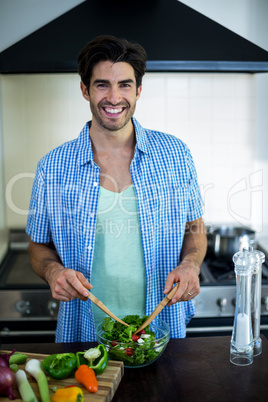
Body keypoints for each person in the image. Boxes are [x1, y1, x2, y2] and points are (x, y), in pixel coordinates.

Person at [26, 35, 207, 342]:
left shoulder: (176, 155)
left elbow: (195, 228)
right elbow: (37, 247)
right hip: (85, 332)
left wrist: (191, 264)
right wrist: (53, 272)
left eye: (124, 84)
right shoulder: (53, 166)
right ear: (85, 89)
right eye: (101, 85)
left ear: (138, 90)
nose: (113, 97)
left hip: (162, 327)